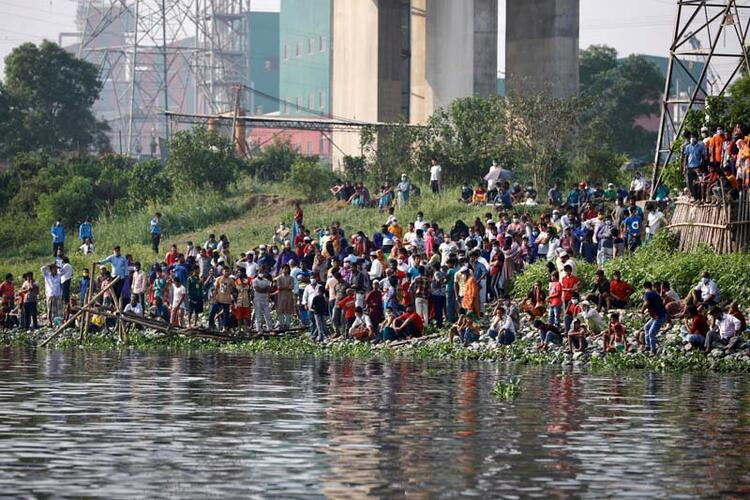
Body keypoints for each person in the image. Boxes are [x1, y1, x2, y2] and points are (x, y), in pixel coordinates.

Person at [641, 281, 667, 353]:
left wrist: (642, 310)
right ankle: (648, 345)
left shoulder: (648, 294)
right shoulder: (655, 293)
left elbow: (646, 303)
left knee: (651, 333)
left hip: (659, 317)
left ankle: (653, 350)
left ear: (644, 287)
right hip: (657, 316)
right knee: (646, 327)